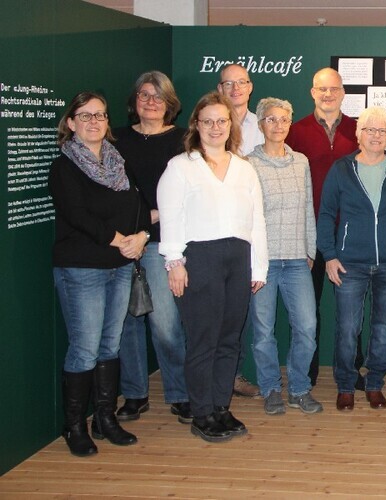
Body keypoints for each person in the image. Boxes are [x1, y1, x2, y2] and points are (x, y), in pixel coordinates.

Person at [158, 91, 269, 443]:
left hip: (238, 260)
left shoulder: (244, 168)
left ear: (231, 125)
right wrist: (174, 262)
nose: (216, 127)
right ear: (196, 125)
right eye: (208, 121)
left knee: (229, 340)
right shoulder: (181, 166)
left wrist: (258, 269)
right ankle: (202, 411)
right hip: (199, 260)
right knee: (203, 340)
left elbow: (258, 222)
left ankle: (221, 407)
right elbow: (171, 217)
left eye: (222, 121)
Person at [50, 91, 148, 456]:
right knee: (85, 349)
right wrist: (120, 239)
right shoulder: (64, 166)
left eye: (101, 115)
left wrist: (141, 236)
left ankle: (104, 419)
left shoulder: (117, 161)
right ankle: (73, 425)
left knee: (110, 345)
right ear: (71, 123)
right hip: (82, 269)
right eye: (86, 115)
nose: (94, 121)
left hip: (120, 266)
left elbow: (139, 203)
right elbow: (77, 214)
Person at [317, 106, 386, 412]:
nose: (376, 136)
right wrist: (330, 256)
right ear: (358, 134)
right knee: (348, 327)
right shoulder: (341, 169)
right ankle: (346, 385)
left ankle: (375, 382)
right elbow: (325, 215)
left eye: (383, 131)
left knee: (383, 327)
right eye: (370, 130)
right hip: (349, 264)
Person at [113, 70, 191, 425]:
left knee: (165, 325)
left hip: (160, 242)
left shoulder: (182, 141)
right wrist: (128, 235)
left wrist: (146, 229)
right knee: (127, 323)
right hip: (121, 243)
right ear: (135, 102)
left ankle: (178, 393)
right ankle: (134, 394)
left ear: (169, 104)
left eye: (158, 97)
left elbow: (186, 197)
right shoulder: (117, 139)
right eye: (144, 95)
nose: (150, 102)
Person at [285, 67, 361, 389]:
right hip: (310, 232)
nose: (328, 95)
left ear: (343, 93)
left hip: (350, 233)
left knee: (351, 309)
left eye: (334, 89)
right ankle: (308, 371)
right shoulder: (295, 131)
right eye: (321, 89)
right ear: (312, 93)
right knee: (308, 309)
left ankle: (352, 369)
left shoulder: (359, 129)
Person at [246, 97, 323, 416]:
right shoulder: (248, 164)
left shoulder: (301, 162)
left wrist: (310, 249)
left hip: (296, 260)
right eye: (271, 119)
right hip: (263, 263)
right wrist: (252, 261)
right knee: (263, 330)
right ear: (261, 124)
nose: (278, 126)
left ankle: (299, 388)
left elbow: (308, 207)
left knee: (306, 326)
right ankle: (270, 389)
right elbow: (247, 215)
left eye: (284, 120)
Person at [217, 63, 265, 398]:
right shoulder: (208, 123)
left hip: (251, 226)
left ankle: (232, 374)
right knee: (211, 309)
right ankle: (213, 377)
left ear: (250, 87)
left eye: (242, 82)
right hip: (213, 228)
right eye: (229, 83)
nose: (236, 88)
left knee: (240, 307)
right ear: (219, 89)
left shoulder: (262, 128)